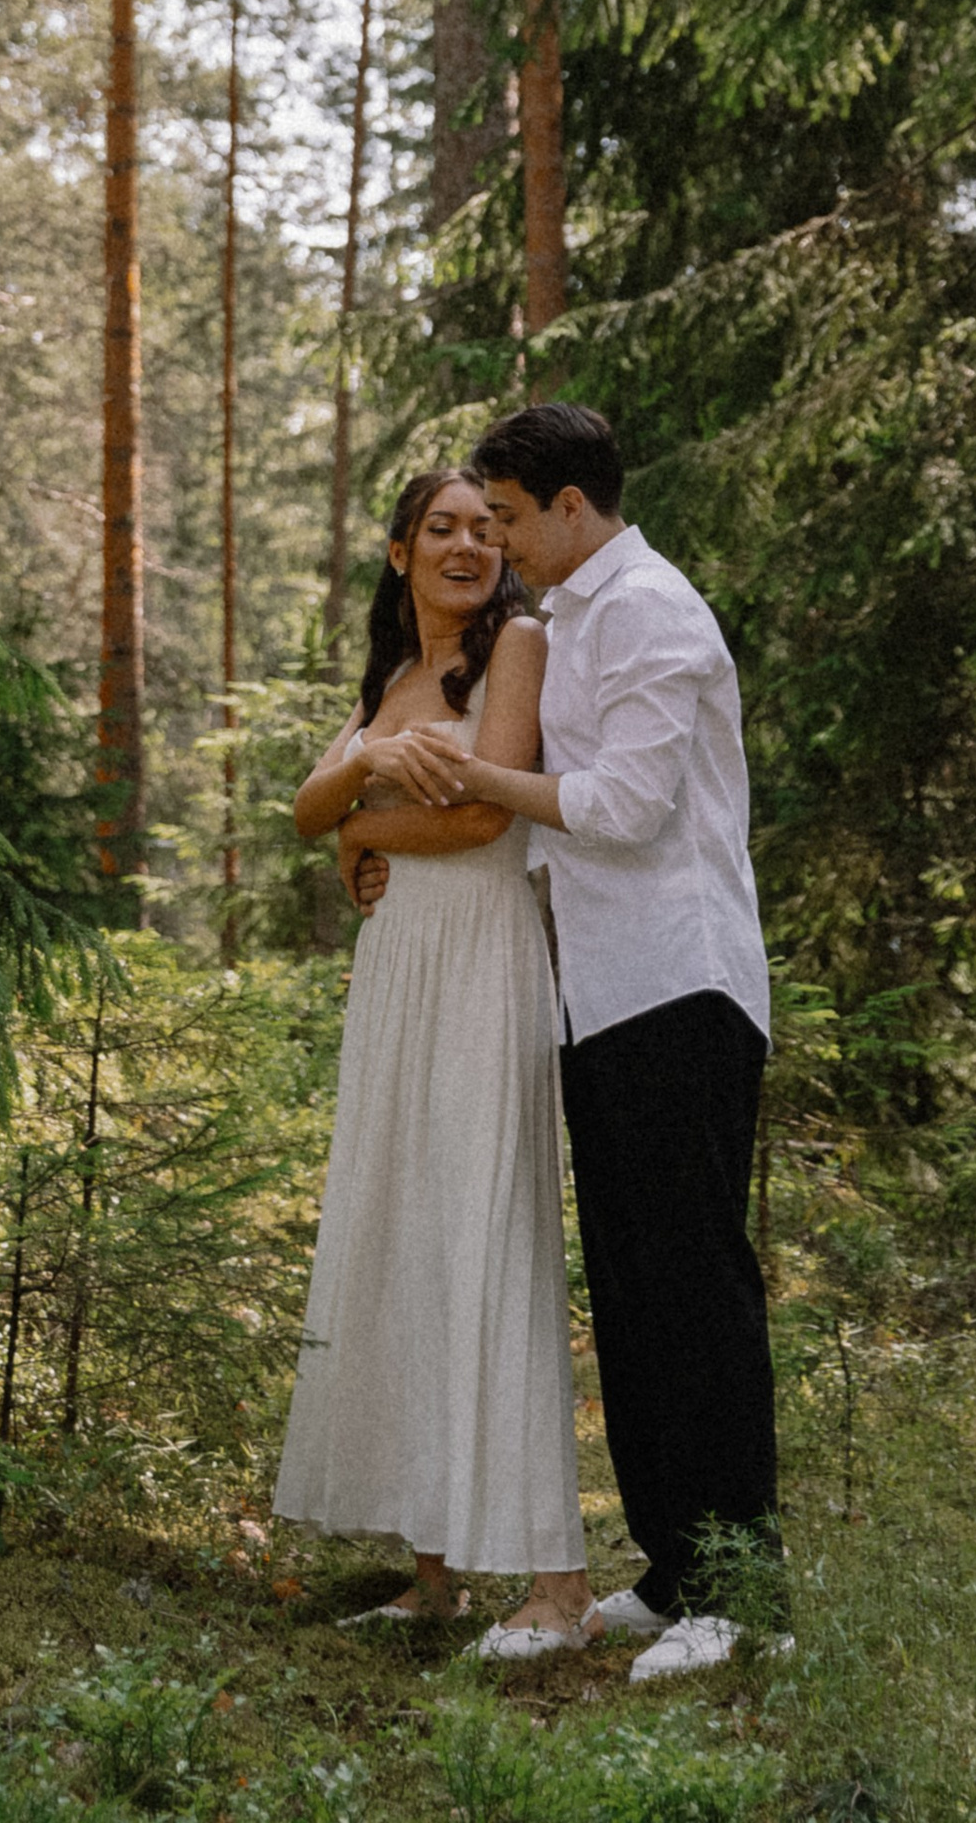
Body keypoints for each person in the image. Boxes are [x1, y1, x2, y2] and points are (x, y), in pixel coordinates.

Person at [355, 401, 787, 1684]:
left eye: (503, 516)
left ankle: (739, 1590)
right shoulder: (577, 614)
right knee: (635, 1290)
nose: (492, 540)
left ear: (567, 505)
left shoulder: (651, 610)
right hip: (598, 993)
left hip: (681, 982)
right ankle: (670, 1570)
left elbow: (625, 807)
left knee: (695, 1288)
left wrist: (472, 781)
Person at [273, 467, 593, 1651]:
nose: (468, 544)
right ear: (399, 551)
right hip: (397, 970)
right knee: (408, 1232)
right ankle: (433, 1570)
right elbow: (304, 806)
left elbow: (480, 818)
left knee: (488, 1232)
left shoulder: (516, 646)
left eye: (484, 528)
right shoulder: (394, 677)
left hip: (480, 960)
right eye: (441, 528)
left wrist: (359, 825)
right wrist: (359, 784)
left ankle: (557, 1583)